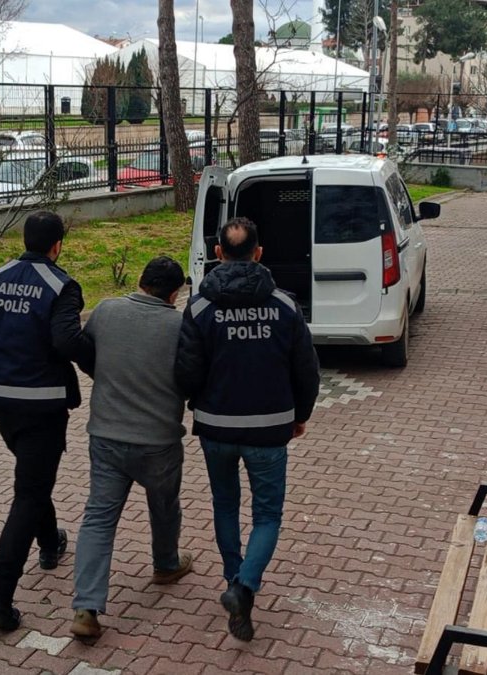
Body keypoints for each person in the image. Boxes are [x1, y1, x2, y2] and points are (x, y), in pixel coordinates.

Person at [175, 217, 320, 642]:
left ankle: (232, 578)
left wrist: (199, 401)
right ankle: (244, 588)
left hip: (216, 427)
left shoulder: (199, 307)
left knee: (225, 503)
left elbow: (185, 372)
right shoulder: (285, 306)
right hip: (269, 429)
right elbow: (306, 371)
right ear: (259, 253)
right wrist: (300, 414)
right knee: (268, 514)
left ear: (218, 254)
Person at [0, 211, 86, 632]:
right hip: (41, 406)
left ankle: (49, 543)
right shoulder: (62, 285)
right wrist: (103, 364)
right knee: (29, 493)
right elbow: (66, 341)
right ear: (57, 245)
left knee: (32, 479)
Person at [69, 257, 196, 641]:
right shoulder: (181, 325)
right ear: (175, 294)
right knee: (164, 504)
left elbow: (89, 356)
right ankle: (166, 563)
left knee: (98, 517)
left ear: (140, 280)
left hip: (106, 436)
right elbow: (191, 377)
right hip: (159, 439)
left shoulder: (106, 310)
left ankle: (86, 607)